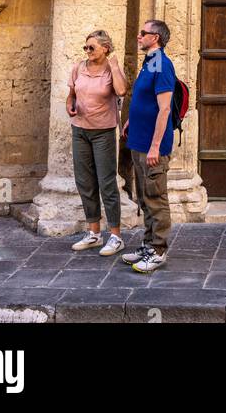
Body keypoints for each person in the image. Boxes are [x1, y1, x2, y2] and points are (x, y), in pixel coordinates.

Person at [119, 19, 177, 274]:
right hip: (138, 141)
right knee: (144, 197)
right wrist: (132, 119)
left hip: (152, 147)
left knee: (156, 198)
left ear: (156, 38)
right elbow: (145, 98)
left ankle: (158, 250)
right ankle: (147, 245)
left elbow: (164, 109)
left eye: (143, 33)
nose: (139, 36)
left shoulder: (163, 65)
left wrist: (155, 147)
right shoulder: (149, 63)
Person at [68, 30, 128, 255]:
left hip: (103, 132)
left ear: (105, 48)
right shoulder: (78, 67)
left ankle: (116, 236)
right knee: (85, 181)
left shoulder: (112, 70)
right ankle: (93, 232)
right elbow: (71, 93)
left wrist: (113, 66)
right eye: (86, 47)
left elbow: (122, 90)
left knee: (107, 183)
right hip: (79, 130)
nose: (87, 51)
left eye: (91, 47)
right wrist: (70, 104)